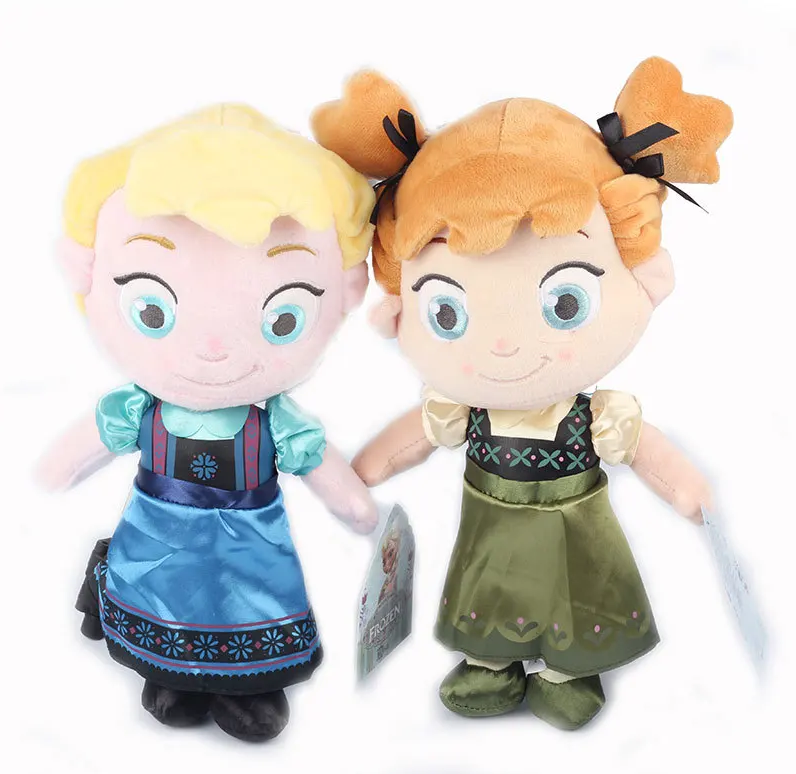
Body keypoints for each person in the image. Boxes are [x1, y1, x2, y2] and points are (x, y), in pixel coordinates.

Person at [312, 58, 733, 730]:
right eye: (446, 311)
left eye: (566, 302)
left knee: (576, 595)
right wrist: (361, 474)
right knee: (490, 590)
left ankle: (568, 670)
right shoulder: (460, 410)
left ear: (644, 279)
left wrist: (690, 492)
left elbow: (648, 454)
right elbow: (404, 445)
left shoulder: (597, 417)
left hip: (577, 535)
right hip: (492, 533)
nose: (504, 346)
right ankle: (490, 661)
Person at [37, 104, 377, 741]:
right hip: (157, 550)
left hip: (251, 556)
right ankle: (167, 669)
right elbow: (69, 458)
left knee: (250, 604)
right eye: (153, 310)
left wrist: (358, 509)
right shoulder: (139, 408)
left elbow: (320, 467)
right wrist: (47, 475)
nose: (214, 351)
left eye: (283, 318)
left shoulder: (274, 422)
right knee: (161, 600)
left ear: (345, 292)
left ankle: (249, 682)